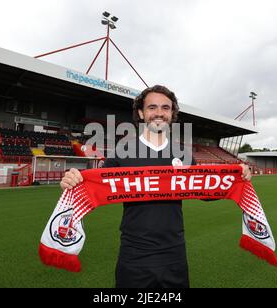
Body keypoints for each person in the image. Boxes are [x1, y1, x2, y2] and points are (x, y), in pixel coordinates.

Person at [60, 85, 252, 288]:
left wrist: (237, 176)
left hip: (174, 253)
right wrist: (72, 180)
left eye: (165, 108)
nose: (159, 113)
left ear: (172, 114)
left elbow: (207, 189)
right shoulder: (122, 152)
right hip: (134, 254)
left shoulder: (183, 155)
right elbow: (93, 184)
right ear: (141, 113)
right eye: (152, 107)